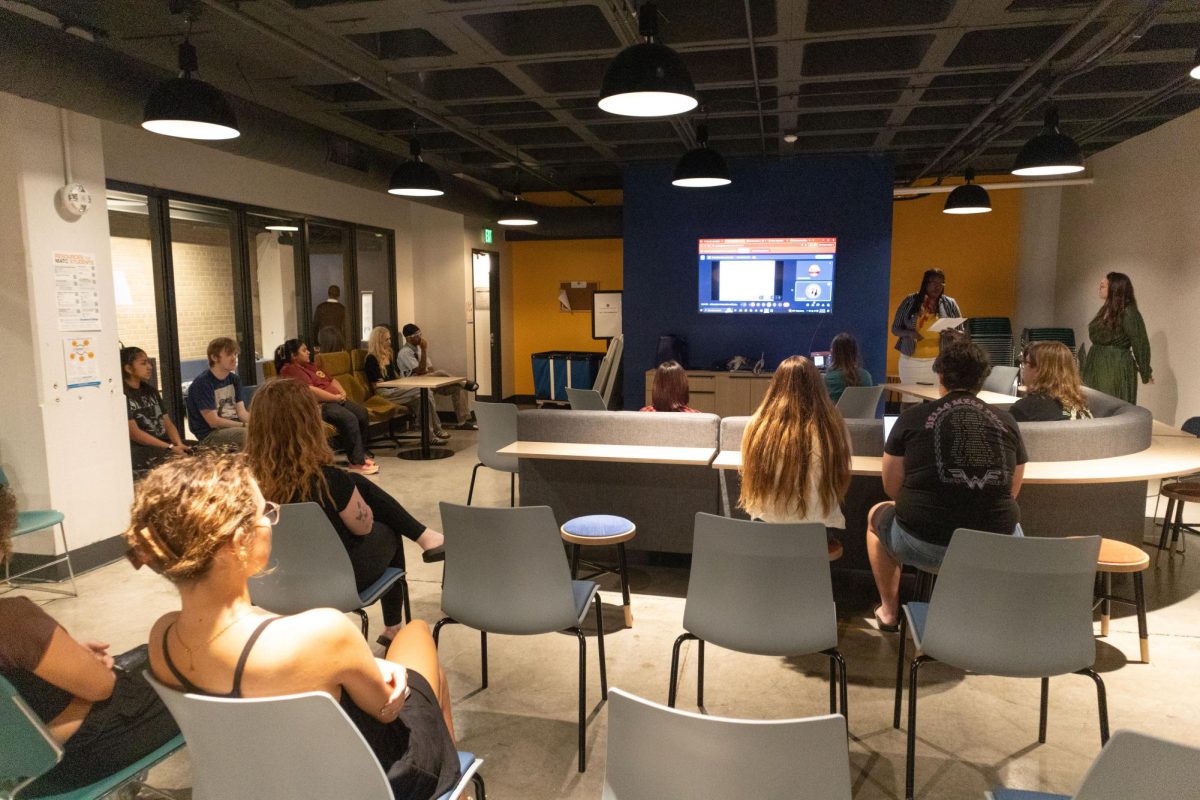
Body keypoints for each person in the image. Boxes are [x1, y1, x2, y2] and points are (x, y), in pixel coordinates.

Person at [127, 451, 461, 800]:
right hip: (366, 784)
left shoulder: (161, 637)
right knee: (416, 635)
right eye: (265, 512)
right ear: (238, 542)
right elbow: (385, 706)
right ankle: (457, 790)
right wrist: (374, 669)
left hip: (260, 783)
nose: (271, 521)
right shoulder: (325, 633)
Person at [0, 485, 179, 796]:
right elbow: (101, 686)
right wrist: (85, 686)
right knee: (192, 663)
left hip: (19, 763)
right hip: (77, 758)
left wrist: (64, 656)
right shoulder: (13, 621)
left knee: (148, 653)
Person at [245, 378, 445, 645]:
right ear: (307, 424)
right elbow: (363, 527)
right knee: (388, 528)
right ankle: (393, 628)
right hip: (334, 584)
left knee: (356, 482)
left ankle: (424, 536)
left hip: (269, 586)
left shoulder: (243, 485)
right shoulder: (328, 481)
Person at [867, 333, 1027, 632]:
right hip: (996, 547)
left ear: (939, 374)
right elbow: (1011, 491)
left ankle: (889, 612)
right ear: (983, 378)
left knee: (876, 515)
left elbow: (891, 487)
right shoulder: (1007, 423)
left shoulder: (912, 418)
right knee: (1010, 525)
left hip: (924, 544)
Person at [738, 356, 852, 553]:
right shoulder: (834, 429)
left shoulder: (756, 427)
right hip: (817, 531)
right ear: (818, 387)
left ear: (775, 386)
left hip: (766, 527)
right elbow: (841, 475)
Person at [276, 338, 378, 476]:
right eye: (304, 350)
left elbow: (332, 380)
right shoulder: (289, 369)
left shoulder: (311, 366)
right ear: (294, 356)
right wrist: (334, 397)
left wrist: (342, 392)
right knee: (349, 418)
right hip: (319, 406)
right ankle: (356, 462)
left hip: (335, 400)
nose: (308, 352)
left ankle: (361, 453)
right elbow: (309, 390)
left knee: (362, 413)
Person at [365, 326, 447, 443]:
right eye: (386, 340)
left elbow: (394, 378)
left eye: (389, 339)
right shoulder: (371, 359)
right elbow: (376, 385)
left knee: (422, 400)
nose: (390, 342)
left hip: (395, 389)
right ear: (378, 341)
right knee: (425, 392)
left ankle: (429, 436)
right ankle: (437, 429)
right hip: (385, 393)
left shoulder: (388, 355)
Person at [1081, 271, 1153, 404]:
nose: (1099, 288)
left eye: (1102, 286)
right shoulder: (1105, 310)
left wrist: (1145, 372)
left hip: (1115, 367)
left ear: (1115, 289)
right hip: (1096, 362)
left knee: (1109, 405)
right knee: (1091, 404)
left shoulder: (1129, 312)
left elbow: (1140, 343)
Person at [122, 346, 193, 472]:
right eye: (143, 363)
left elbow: (167, 422)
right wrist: (170, 447)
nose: (150, 367)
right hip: (141, 448)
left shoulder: (151, 391)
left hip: (164, 443)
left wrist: (178, 443)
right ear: (128, 368)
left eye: (148, 362)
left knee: (201, 450)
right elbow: (135, 434)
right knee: (178, 460)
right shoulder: (123, 395)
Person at [398, 323, 477, 432]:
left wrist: (432, 376)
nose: (420, 337)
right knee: (441, 372)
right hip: (413, 384)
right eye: (417, 335)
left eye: (420, 334)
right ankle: (462, 381)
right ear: (409, 338)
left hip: (427, 379)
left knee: (456, 389)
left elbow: (430, 368)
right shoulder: (404, 353)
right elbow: (419, 370)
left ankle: (462, 422)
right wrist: (425, 350)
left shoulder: (419, 349)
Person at [891, 268, 962, 385]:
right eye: (934, 283)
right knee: (910, 401)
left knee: (937, 399)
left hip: (939, 361)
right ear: (925, 283)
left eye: (941, 283)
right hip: (911, 361)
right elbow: (895, 328)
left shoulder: (950, 303)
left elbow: (962, 333)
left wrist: (955, 334)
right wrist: (910, 333)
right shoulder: (910, 301)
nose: (937, 287)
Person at [185, 336, 251, 449]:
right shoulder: (202, 383)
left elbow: (242, 413)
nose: (234, 358)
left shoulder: (234, 379)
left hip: (233, 428)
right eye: (229, 354)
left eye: (235, 354)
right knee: (247, 434)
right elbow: (213, 422)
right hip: (210, 435)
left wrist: (260, 423)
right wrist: (245, 426)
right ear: (214, 357)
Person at [1011, 341, 1093, 422]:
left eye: (1025, 362)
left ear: (1041, 370)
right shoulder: (1082, 405)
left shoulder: (1023, 410)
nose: (1023, 367)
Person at [823, 333, 874, 403]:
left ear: (833, 353)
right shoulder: (866, 376)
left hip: (835, 414)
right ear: (855, 353)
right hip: (863, 414)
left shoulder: (828, 379)